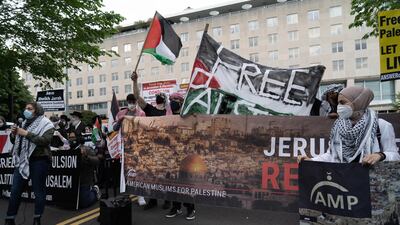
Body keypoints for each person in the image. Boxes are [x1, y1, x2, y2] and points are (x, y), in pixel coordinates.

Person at [299, 86, 400, 164]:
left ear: (357, 102)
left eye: (343, 102)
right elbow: (331, 155)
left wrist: (380, 156)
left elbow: (395, 155)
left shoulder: (381, 126)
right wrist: (311, 161)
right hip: (345, 181)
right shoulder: (338, 127)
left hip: (371, 183)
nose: (339, 107)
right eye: (338, 103)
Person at [5, 102, 54, 225]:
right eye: (26, 108)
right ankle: (10, 219)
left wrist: (26, 133)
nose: (26, 110)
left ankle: (37, 219)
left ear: (36, 111)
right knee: (15, 190)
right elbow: (15, 140)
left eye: (29, 109)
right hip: (23, 161)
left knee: (38, 191)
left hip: (39, 160)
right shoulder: (23, 123)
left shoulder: (46, 124)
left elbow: (45, 141)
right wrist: (13, 134)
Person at [131, 71, 171, 210]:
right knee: (152, 175)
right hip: (152, 148)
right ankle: (153, 200)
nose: (159, 99)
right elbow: (137, 97)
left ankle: (168, 200)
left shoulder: (169, 113)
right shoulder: (150, 110)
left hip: (165, 149)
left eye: (161, 97)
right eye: (158, 97)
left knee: (165, 176)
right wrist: (135, 81)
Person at [164, 93, 196, 220]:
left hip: (186, 157)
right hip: (173, 157)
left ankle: (190, 208)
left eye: (175, 99)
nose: (172, 102)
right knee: (173, 184)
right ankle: (175, 207)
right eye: (171, 99)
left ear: (182, 102)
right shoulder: (169, 118)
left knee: (186, 184)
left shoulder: (188, 117)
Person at [112, 93, 146, 205]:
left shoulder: (141, 113)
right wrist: (119, 121)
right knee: (125, 172)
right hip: (124, 146)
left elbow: (145, 129)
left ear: (136, 102)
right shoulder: (121, 113)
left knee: (138, 171)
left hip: (137, 146)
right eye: (129, 102)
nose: (131, 104)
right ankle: (127, 195)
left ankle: (140, 196)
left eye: (133, 102)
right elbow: (114, 128)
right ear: (127, 102)